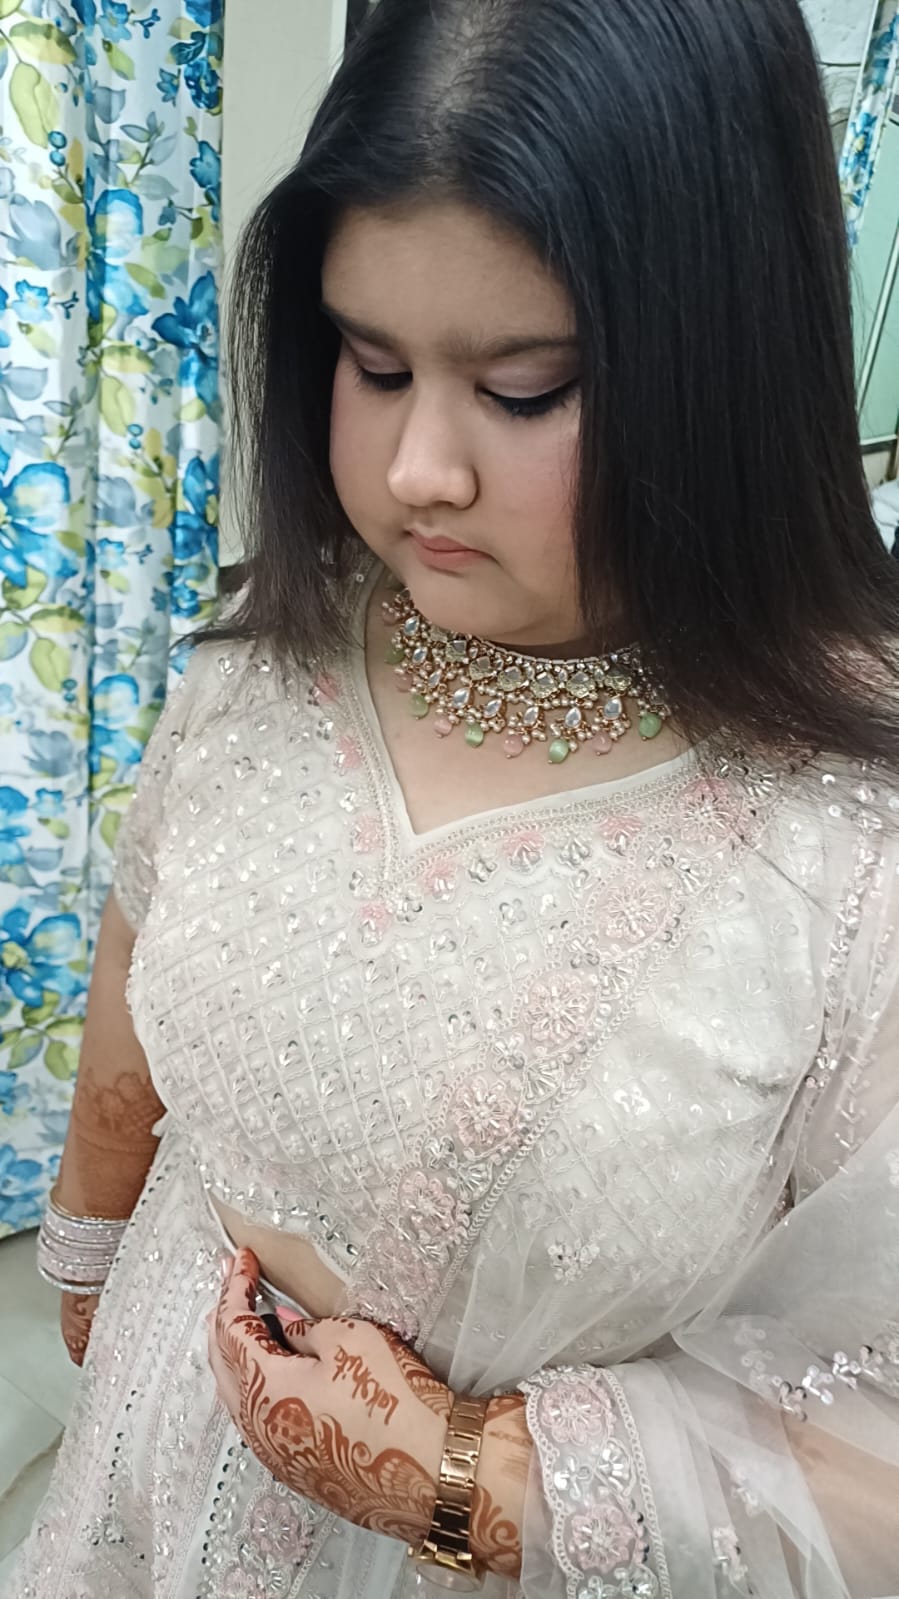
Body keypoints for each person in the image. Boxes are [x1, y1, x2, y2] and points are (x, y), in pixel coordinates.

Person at [14, 0, 899, 1594]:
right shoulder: (278, 642)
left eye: (526, 388)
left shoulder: (851, 832)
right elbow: (144, 935)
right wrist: (88, 1241)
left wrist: (463, 1479)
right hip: (162, 1451)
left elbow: (874, 1437)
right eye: (372, 364)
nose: (422, 468)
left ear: (729, 370)